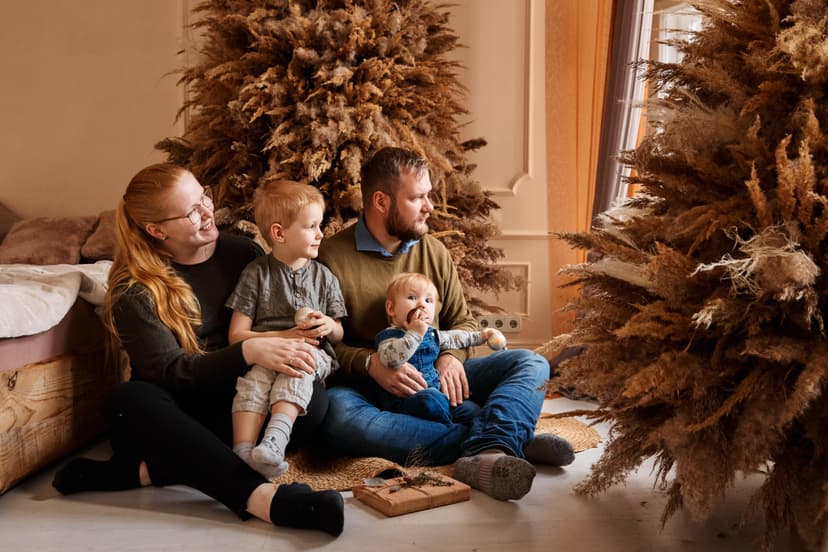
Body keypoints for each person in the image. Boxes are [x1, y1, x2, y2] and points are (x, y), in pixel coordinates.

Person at [51, 163, 344, 537]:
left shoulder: (243, 253)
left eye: (203, 195)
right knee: (127, 401)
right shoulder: (134, 291)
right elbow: (173, 373)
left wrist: (301, 335)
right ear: (157, 230)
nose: (208, 210)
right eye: (192, 211)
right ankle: (266, 501)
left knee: (313, 401)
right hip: (176, 409)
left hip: (237, 401)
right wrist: (250, 351)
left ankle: (145, 471)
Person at [318, 147, 575, 502]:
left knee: (531, 363)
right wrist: (371, 364)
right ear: (380, 201)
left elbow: (462, 320)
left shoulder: (434, 251)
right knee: (338, 420)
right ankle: (503, 440)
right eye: (417, 197)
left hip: (437, 381)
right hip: (369, 390)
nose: (429, 206)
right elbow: (327, 342)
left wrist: (450, 356)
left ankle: (492, 444)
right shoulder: (331, 257)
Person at [226, 180, 346, 478]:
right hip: (266, 351)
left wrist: (328, 325)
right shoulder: (256, 274)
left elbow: (340, 333)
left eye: (321, 225)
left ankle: (274, 443)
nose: (321, 234)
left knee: (298, 369)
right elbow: (236, 336)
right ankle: (242, 452)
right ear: (279, 233)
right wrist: (280, 338)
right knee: (254, 379)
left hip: (310, 354)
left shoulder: (324, 277)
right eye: (311, 227)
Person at [374, 271, 506, 424]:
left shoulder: (432, 334)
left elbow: (456, 338)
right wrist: (414, 333)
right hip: (405, 399)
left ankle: (459, 432)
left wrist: (482, 336)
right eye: (412, 297)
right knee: (430, 400)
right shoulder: (389, 336)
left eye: (428, 300)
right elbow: (392, 360)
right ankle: (449, 428)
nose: (421, 304)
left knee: (473, 411)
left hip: (439, 393)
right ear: (391, 308)